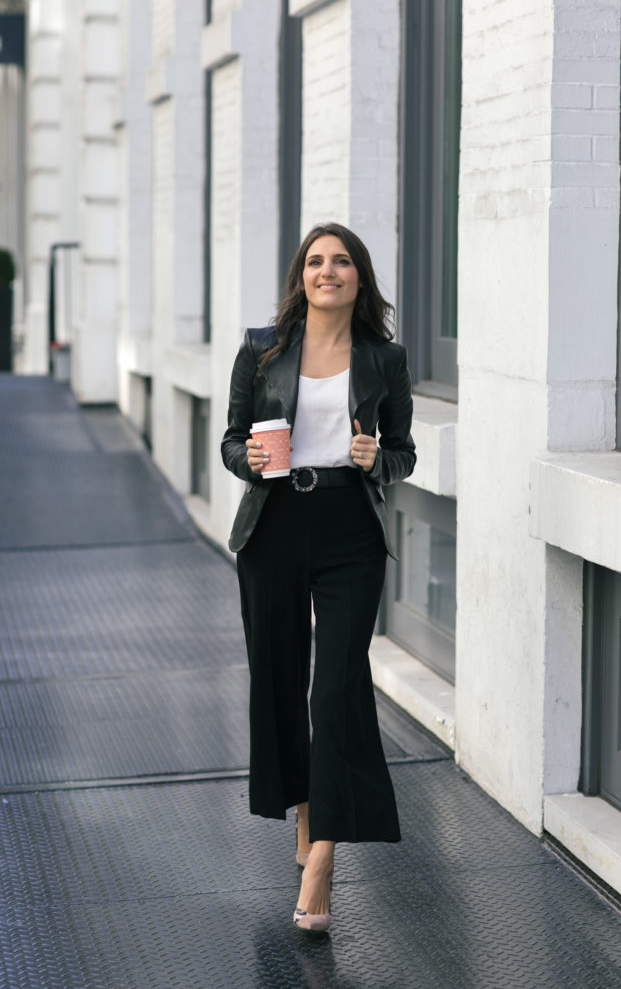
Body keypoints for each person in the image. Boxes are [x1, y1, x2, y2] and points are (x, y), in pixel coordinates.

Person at [221, 222, 416, 933]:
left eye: (340, 262)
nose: (326, 271)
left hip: (347, 532)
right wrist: (252, 460)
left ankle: (323, 858)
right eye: (315, 261)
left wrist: (375, 457)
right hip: (274, 526)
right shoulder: (260, 349)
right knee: (277, 679)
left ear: (359, 278)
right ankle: (303, 805)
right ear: (299, 277)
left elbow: (403, 453)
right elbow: (230, 441)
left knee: (334, 687)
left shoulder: (384, 359)